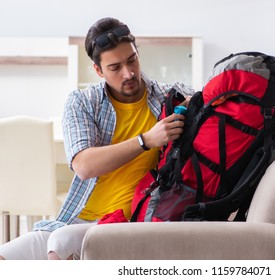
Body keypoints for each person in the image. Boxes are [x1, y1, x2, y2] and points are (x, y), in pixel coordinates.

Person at [0, 17, 194, 260]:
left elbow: (214, 100)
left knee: (60, 246)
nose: (129, 73)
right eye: (115, 68)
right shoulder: (83, 102)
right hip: (76, 219)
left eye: (132, 60)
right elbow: (84, 166)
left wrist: (195, 105)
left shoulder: (168, 96)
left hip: (127, 223)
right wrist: (146, 140)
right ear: (98, 70)